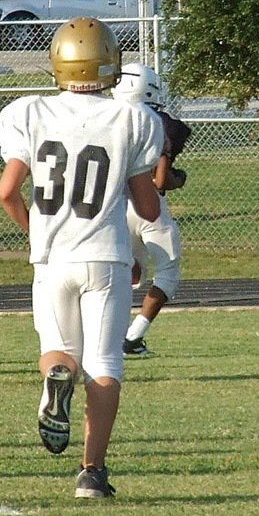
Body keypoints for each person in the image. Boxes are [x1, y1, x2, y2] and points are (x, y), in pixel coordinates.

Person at [0, 16, 162, 499]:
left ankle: (55, 380)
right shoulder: (132, 119)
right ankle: (92, 472)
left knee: (58, 351)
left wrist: (39, 235)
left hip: (53, 258)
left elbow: (7, 191)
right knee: (106, 361)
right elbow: (147, 205)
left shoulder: (32, 112)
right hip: (105, 255)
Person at [115, 62, 191, 358]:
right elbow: (159, 180)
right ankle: (132, 338)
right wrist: (179, 179)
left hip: (116, 206)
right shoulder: (159, 122)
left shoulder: (104, 117)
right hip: (149, 207)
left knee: (124, 275)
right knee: (168, 275)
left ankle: (113, 335)